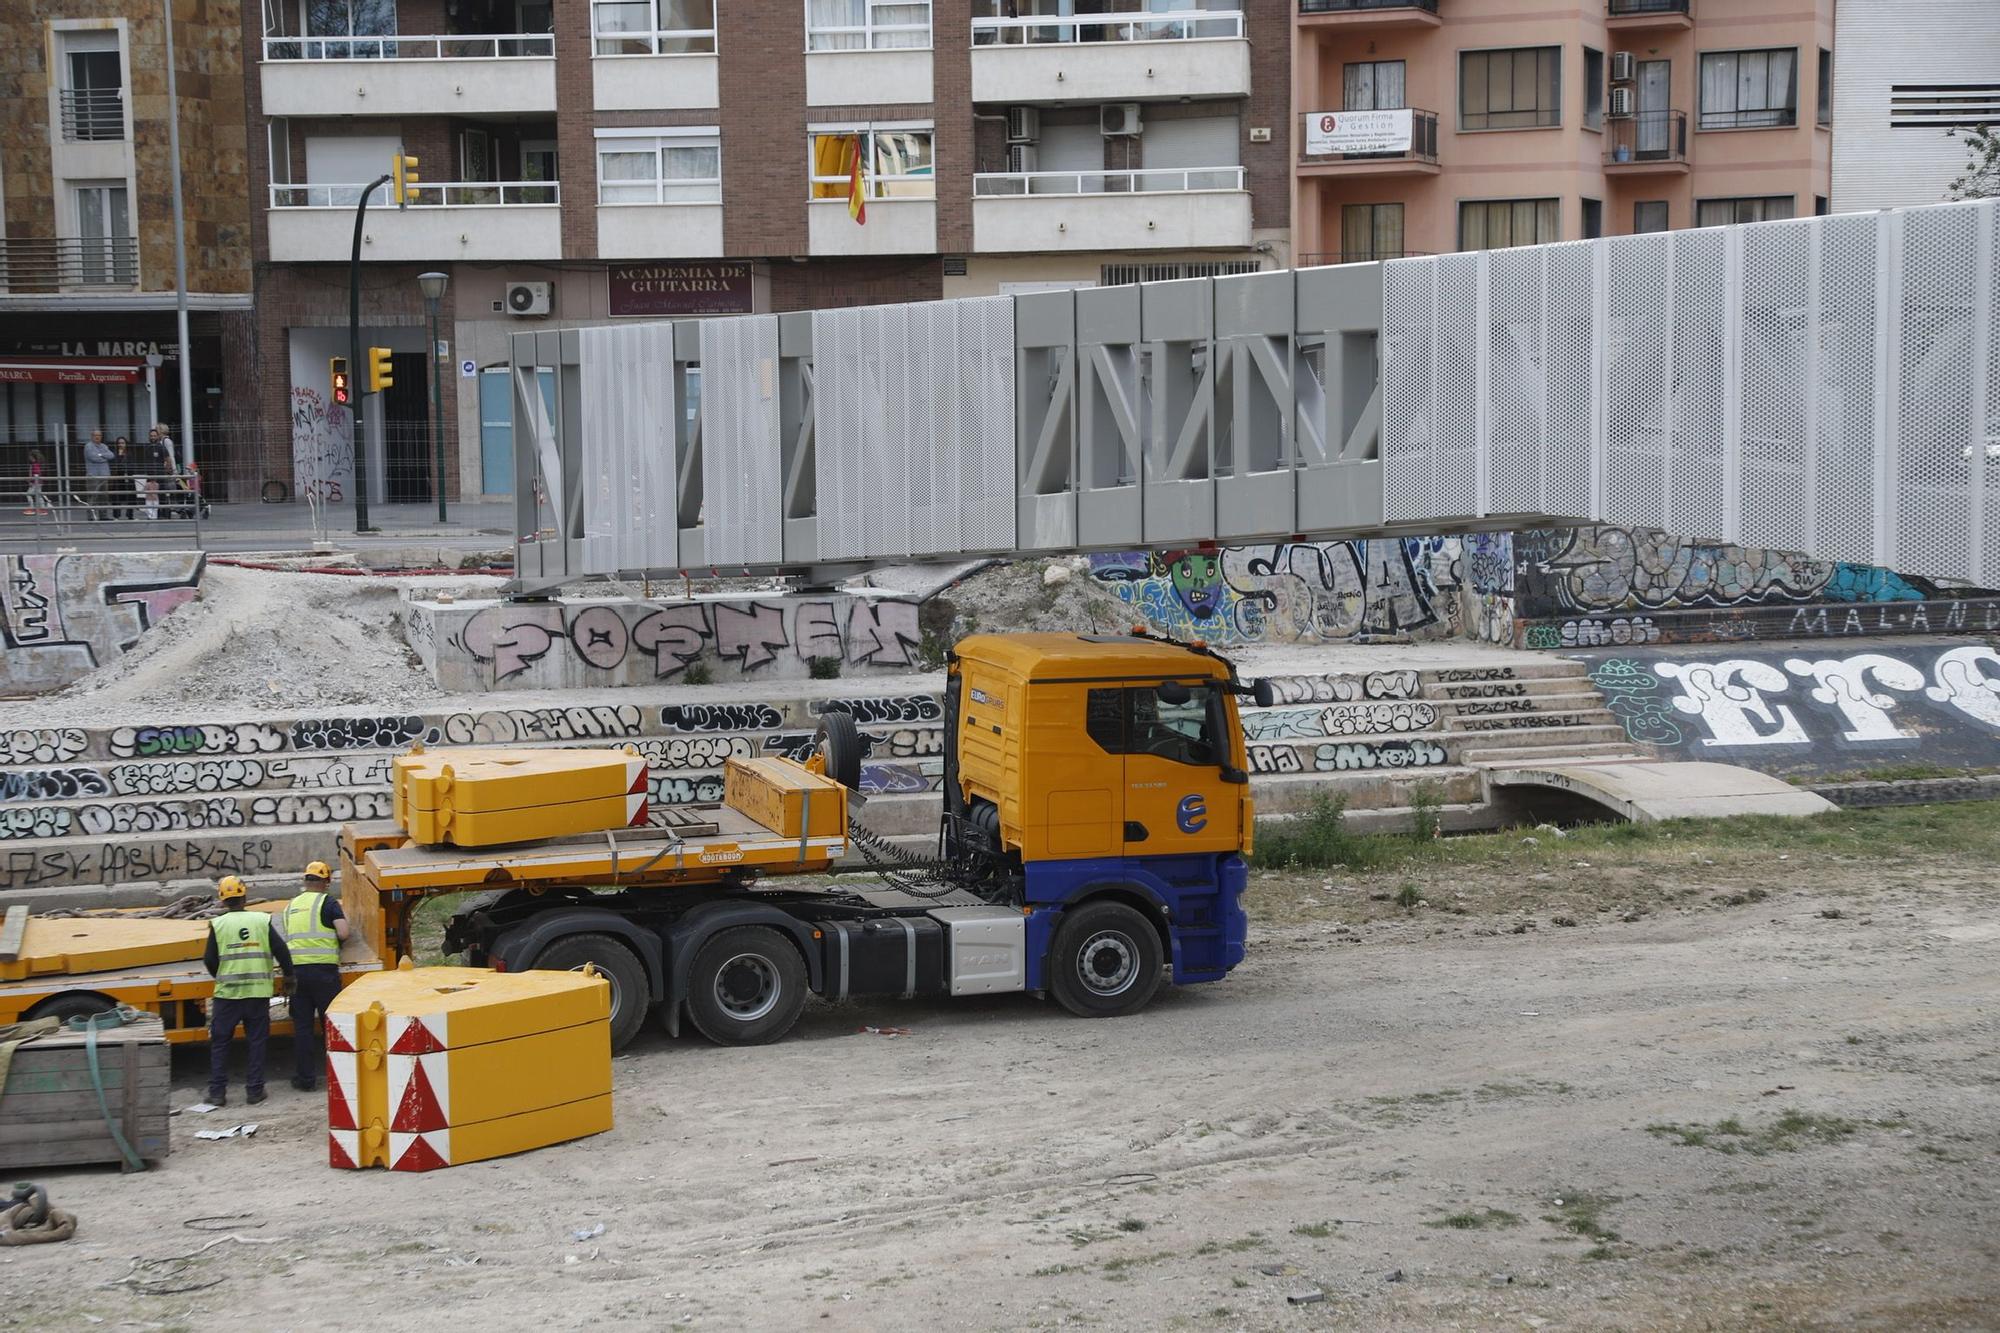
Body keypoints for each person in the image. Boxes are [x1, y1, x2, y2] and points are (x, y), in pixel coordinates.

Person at [202, 874, 292, 1107]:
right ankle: (254, 1091)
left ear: (222, 901)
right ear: (245, 897)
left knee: (220, 1042)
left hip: (227, 994)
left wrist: (221, 976)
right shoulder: (261, 920)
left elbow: (209, 959)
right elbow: (282, 951)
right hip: (257, 993)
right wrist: (289, 975)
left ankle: (217, 1093)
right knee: (256, 1041)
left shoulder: (219, 924)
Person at [279, 860, 349, 1092]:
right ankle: (341, 1078)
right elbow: (343, 932)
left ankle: (306, 1080)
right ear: (326, 882)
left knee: (303, 1029)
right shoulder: (328, 903)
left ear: (306, 881)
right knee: (333, 1026)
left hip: (297, 973)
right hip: (323, 973)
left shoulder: (290, 906)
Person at [83, 430, 114, 519]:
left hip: (104, 475)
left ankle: (103, 515)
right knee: (93, 496)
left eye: (99, 435)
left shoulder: (104, 446)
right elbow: (93, 458)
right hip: (93, 475)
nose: (97, 437)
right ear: (92, 436)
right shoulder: (88, 446)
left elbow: (111, 455)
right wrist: (104, 457)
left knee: (104, 496)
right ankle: (91, 516)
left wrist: (100, 455)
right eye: (95, 435)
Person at [111, 437, 136, 519]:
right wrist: (120, 456)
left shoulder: (130, 453)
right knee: (116, 497)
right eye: (119, 443)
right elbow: (114, 465)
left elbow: (132, 466)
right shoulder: (114, 454)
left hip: (128, 478)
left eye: (122, 443)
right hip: (118, 478)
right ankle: (116, 515)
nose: (121, 445)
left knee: (130, 497)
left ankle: (130, 515)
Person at [22, 450, 49, 515]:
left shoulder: (35, 465)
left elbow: (36, 474)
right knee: (39, 495)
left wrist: (30, 481)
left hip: (35, 483)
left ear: (33, 457)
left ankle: (32, 509)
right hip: (38, 482)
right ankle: (42, 509)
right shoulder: (37, 465)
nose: (29, 458)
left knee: (28, 494)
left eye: (30, 457)